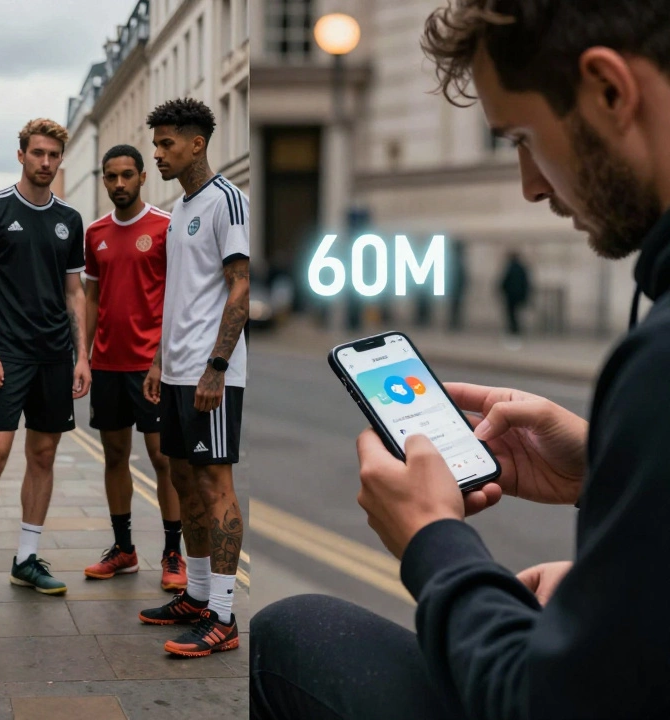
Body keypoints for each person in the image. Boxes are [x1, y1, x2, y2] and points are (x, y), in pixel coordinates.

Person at [251, 2, 670, 718]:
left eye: (523, 138)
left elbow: (541, 705)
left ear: (609, 90)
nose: (531, 185)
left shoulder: (657, 363)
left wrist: (435, 542)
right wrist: (607, 473)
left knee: (289, 636)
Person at [0, 118, 89, 614]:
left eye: (54, 155)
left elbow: (74, 292)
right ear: (21, 155)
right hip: (6, 353)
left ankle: (27, 559)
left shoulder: (70, 218)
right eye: (38, 153)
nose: (46, 162)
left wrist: (82, 357)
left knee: (44, 455)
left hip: (54, 354)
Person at [137, 98, 249, 658]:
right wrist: (161, 360)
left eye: (167, 143)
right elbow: (180, 293)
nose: (158, 154)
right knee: (183, 479)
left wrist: (217, 367)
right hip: (178, 368)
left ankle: (223, 617)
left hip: (211, 374)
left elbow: (241, 285)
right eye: (156, 144)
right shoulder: (179, 208)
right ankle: (198, 596)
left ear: (196, 143)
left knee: (214, 484)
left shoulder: (227, 200)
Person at [80, 144, 187, 592]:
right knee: (115, 456)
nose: (119, 183)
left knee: (163, 459)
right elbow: (91, 296)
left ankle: (173, 553)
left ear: (143, 177)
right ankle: (123, 549)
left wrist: (162, 360)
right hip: (107, 363)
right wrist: (82, 357)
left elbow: (178, 297)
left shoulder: (165, 226)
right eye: (112, 176)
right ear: (104, 180)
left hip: (151, 366)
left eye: (127, 175)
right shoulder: (96, 233)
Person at [500, 249, 532, 338]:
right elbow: (526, 283)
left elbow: (505, 281)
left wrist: (502, 290)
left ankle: (514, 329)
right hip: (518, 295)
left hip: (511, 295)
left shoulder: (510, 268)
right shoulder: (522, 268)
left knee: (512, 313)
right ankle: (516, 329)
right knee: (516, 313)